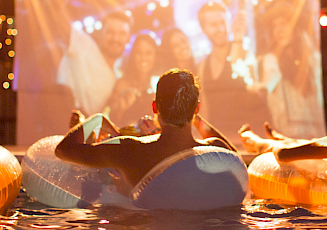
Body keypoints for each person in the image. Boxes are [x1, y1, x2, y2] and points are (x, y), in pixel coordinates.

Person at [55, 69, 238, 188]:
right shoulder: (216, 150)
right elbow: (237, 163)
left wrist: (95, 120)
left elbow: (63, 150)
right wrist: (190, 112)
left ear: (154, 107)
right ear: (197, 109)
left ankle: (88, 129)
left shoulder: (130, 151)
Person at [196, 1, 269, 142]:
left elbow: (252, 87)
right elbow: (205, 111)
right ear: (203, 29)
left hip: (246, 141)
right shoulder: (202, 66)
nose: (221, 29)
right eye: (213, 25)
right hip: (220, 143)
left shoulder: (244, 51)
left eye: (223, 22)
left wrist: (237, 39)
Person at [254, 1, 326, 139]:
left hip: (313, 133)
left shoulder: (312, 58)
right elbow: (267, 86)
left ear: (294, 27)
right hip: (286, 134)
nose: (279, 30)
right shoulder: (271, 60)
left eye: (284, 24)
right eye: (274, 27)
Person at [57, 11, 133, 116]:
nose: (116, 38)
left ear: (128, 38)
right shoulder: (85, 45)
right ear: (100, 33)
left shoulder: (116, 78)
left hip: (83, 130)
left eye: (122, 33)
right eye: (110, 32)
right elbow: (56, 15)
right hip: (60, 116)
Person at [106, 33, 160, 127]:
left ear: (155, 56)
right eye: (139, 52)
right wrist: (121, 108)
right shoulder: (122, 85)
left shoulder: (160, 84)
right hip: (129, 139)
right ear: (133, 55)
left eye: (148, 53)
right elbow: (109, 121)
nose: (144, 58)